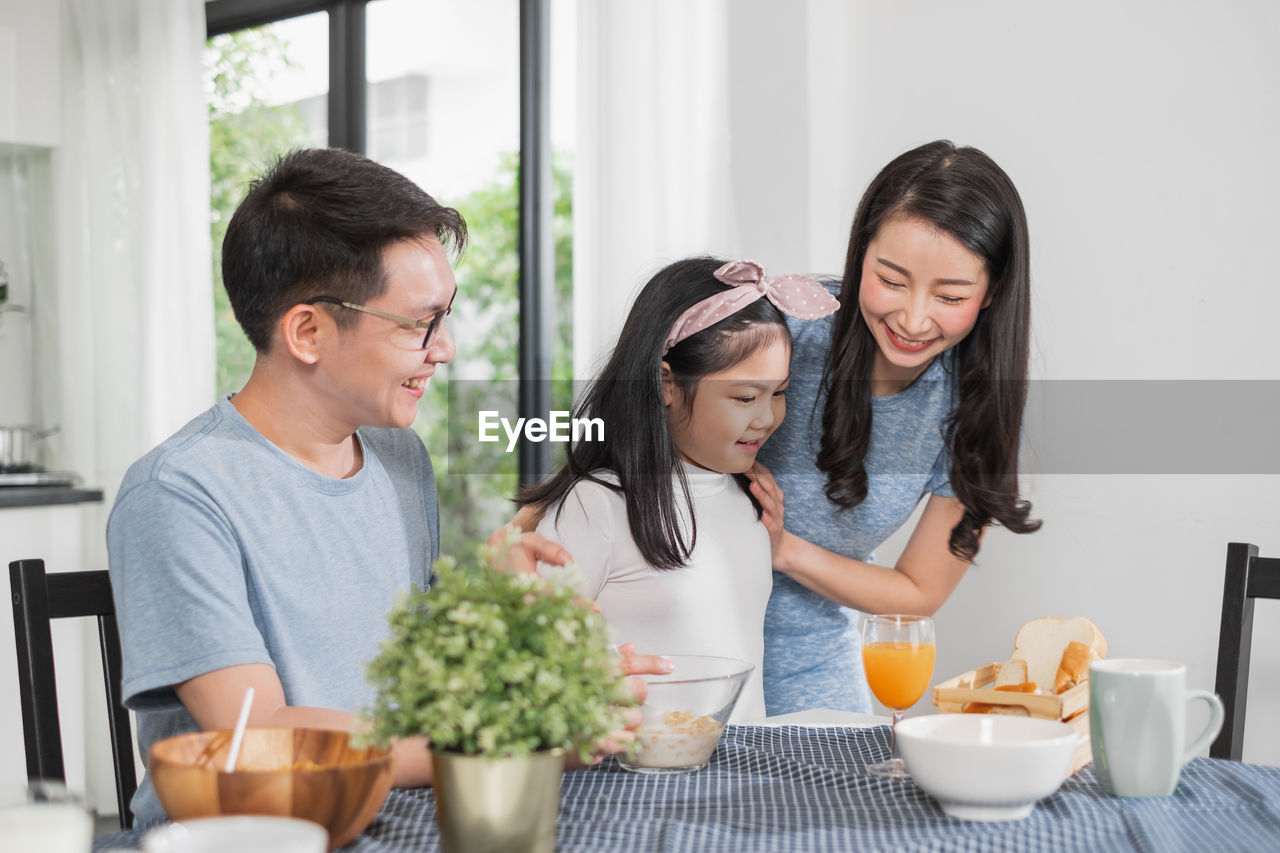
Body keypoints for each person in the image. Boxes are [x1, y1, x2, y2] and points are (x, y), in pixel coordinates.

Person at [106, 147, 661, 825]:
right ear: (308, 330)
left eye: (446, 315)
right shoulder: (179, 493)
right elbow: (264, 733)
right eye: (419, 322)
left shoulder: (399, 458)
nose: (446, 347)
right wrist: (523, 741)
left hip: (400, 814)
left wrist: (510, 629)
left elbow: (421, 688)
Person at [744, 140, 1041, 715]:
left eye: (950, 294)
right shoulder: (785, 328)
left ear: (993, 292)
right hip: (680, 642)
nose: (911, 319)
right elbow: (623, 440)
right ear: (860, 256)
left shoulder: (978, 407)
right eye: (892, 279)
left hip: (814, 662)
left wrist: (785, 550)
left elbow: (918, 591)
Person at [517, 257, 838, 721]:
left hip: (740, 778)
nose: (767, 418)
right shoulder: (599, 504)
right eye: (745, 397)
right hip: (639, 781)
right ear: (666, 382)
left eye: (779, 392)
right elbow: (533, 662)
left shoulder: (750, 499)